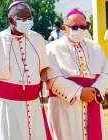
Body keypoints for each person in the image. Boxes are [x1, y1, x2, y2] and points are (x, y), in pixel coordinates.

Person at [0, 1, 52, 140]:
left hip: (33, 104)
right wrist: (3, 95)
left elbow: (43, 70)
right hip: (6, 105)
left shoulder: (37, 39)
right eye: (23, 19)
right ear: (11, 20)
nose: (28, 22)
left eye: (30, 18)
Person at [44, 10, 108, 140]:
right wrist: (79, 92)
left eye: (84, 27)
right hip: (65, 106)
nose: (79, 30)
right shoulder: (52, 48)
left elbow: (106, 72)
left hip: (93, 100)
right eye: (74, 27)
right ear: (64, 28)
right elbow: (52, 79)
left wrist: (95, 90)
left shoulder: (95, 47)